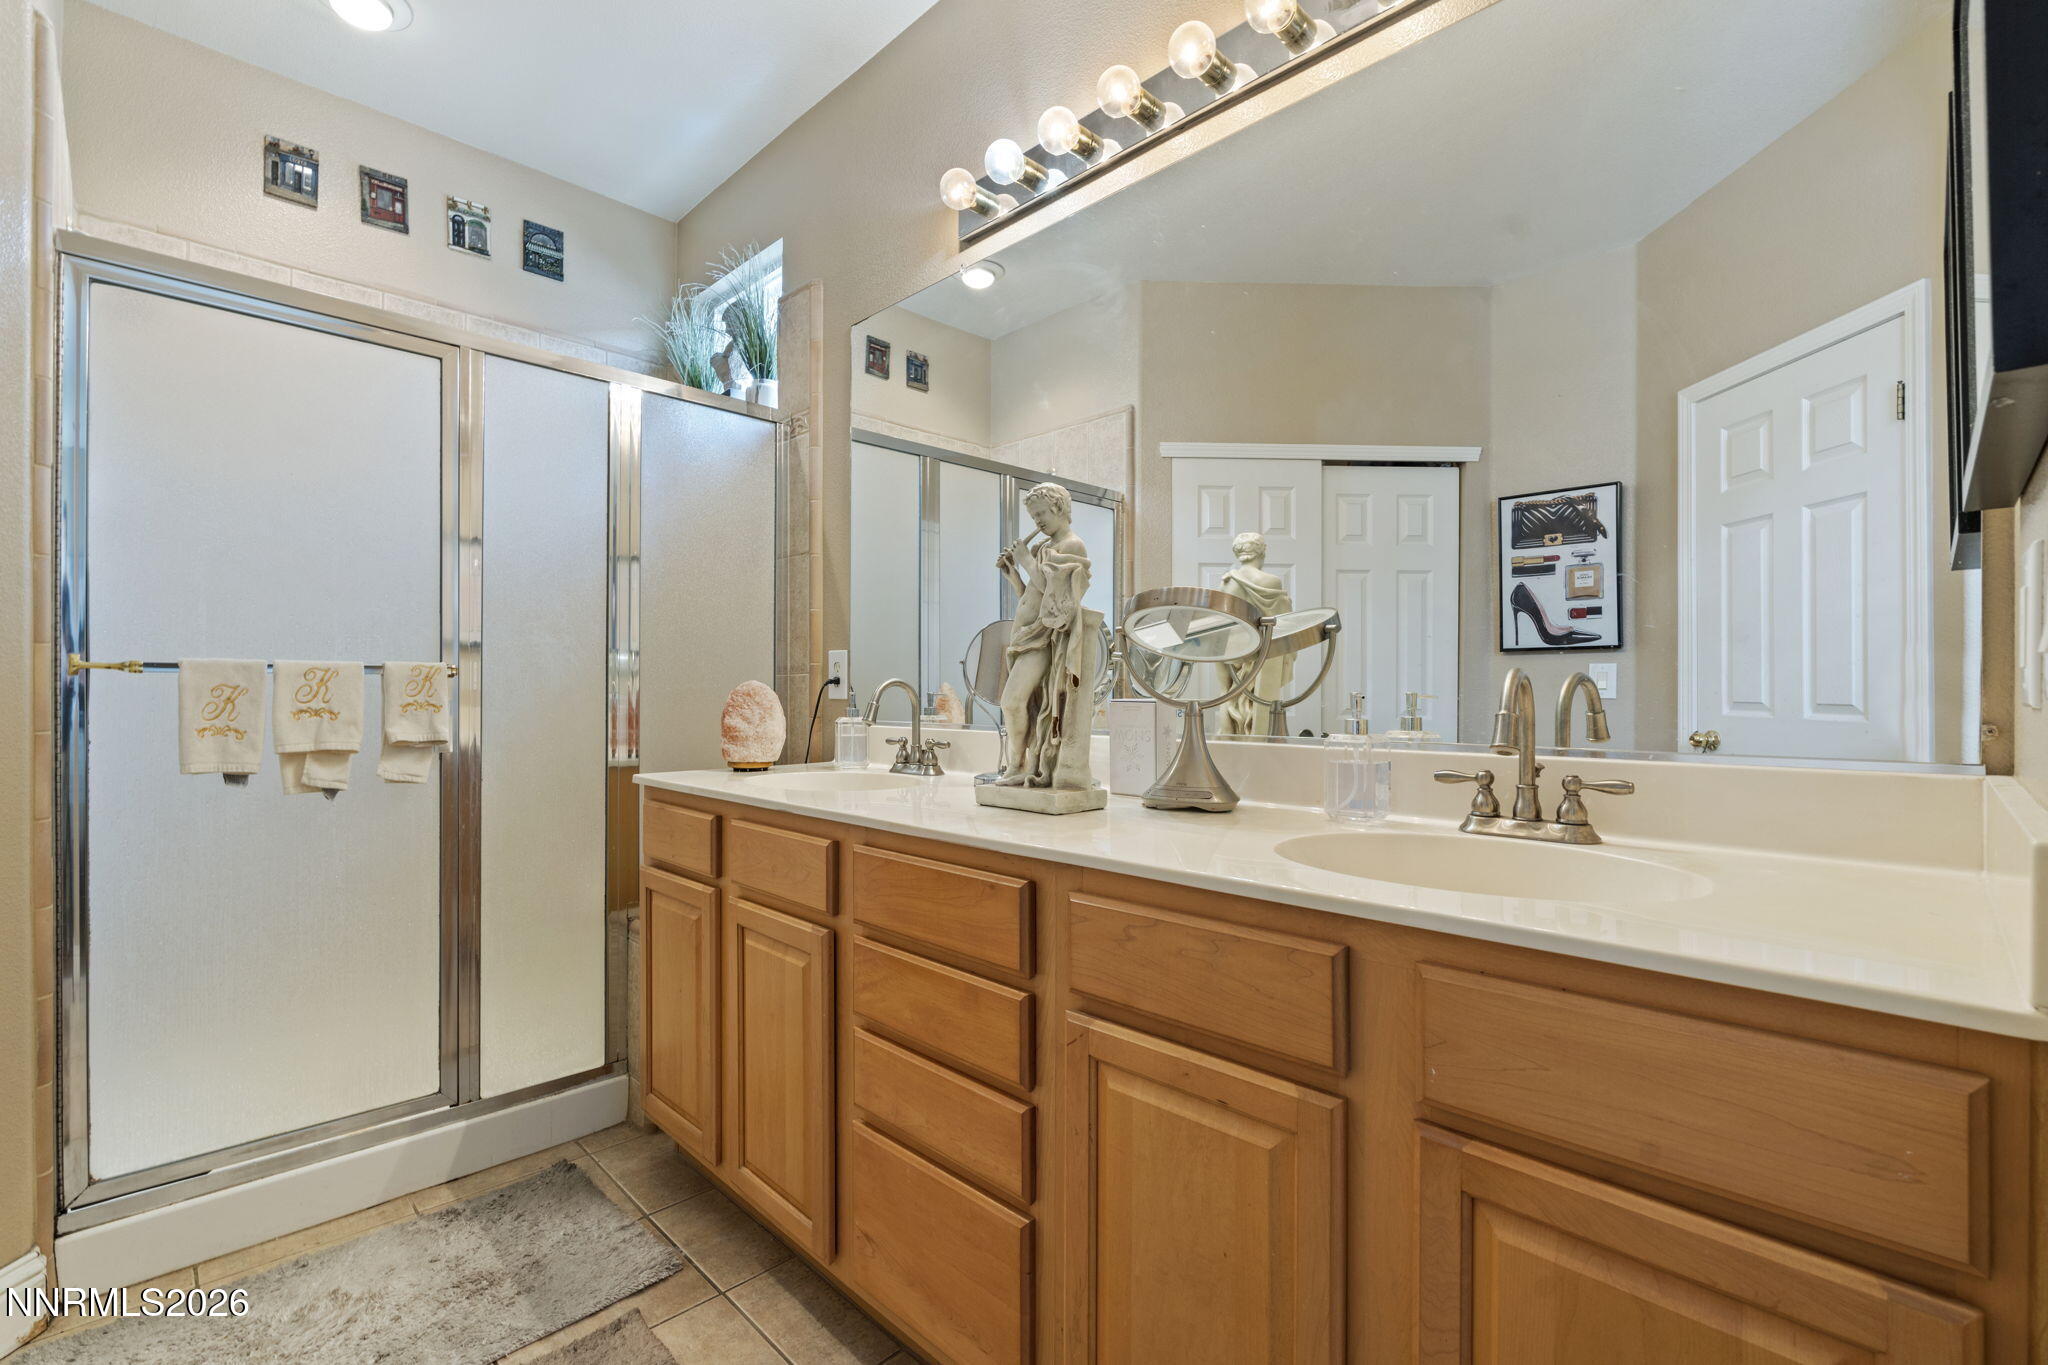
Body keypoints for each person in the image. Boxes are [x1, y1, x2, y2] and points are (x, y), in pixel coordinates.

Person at [992, 482, 1098, 789]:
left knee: (1012, 701)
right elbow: (1033, 595)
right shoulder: (1043, 548)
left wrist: (1025, 560)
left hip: (1045, 638)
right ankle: (1018, 764)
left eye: (1041, 514)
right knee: (1022, 703)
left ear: (1060, 508)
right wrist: (1014, 577)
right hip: (1025, 634)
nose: (1037, 522)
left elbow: (1060, 599)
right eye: (1033, 516)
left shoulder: (1072, 545)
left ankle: (1018, 765)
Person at [1218, 530, 1294, 735]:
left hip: (1234, 655)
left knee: (1230, 697)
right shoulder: (1271, 582)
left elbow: (1220, 625)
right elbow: (1285, 623)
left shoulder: (1227, 582)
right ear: (1262, 552)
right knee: (1261, 704)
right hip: (1264, 653)